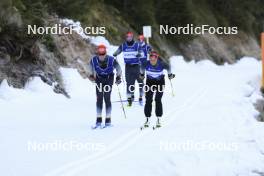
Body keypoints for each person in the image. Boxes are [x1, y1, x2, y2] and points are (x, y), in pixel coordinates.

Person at [88, 44, 122, 128]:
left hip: (109, 78)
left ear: (106, 53)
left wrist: (118, 77)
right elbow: (90, 67)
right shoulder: (93, 60)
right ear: (98, 54)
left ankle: (108, 120)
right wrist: (91, 75)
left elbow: (119, 68)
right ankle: (98, 120)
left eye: (103, 55)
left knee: (107, 97)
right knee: (99, 98)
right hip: (99, 79)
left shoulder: (111, 59)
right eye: (100, 55)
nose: (101, 57)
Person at [139, 51, 175, 129]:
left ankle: (158, 119)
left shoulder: (161, 64)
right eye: (151, 57)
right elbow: (142, 68)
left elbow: (168, 66)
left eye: (154, 57)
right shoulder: (146, 63)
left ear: (157, 58)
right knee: (148, 100)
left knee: (158, 99)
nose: (152, 59)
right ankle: (147, 119)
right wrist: (142, 74)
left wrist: (170, 74)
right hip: (149, 82)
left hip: (160, 82)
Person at [113, 31, 143, 106]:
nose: (129, 38)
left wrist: (139, 54)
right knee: (129, 83)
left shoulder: (136, 45)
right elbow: (117, 51)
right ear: (126, 38)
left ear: (132, 37)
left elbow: (142, 53)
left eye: (130, 36)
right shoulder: (123, 45)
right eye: (127, 37)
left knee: (140, 82)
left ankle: (141, 97)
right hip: (128, 67)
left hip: (137, 66)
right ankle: (130, 98)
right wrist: (115, 53)